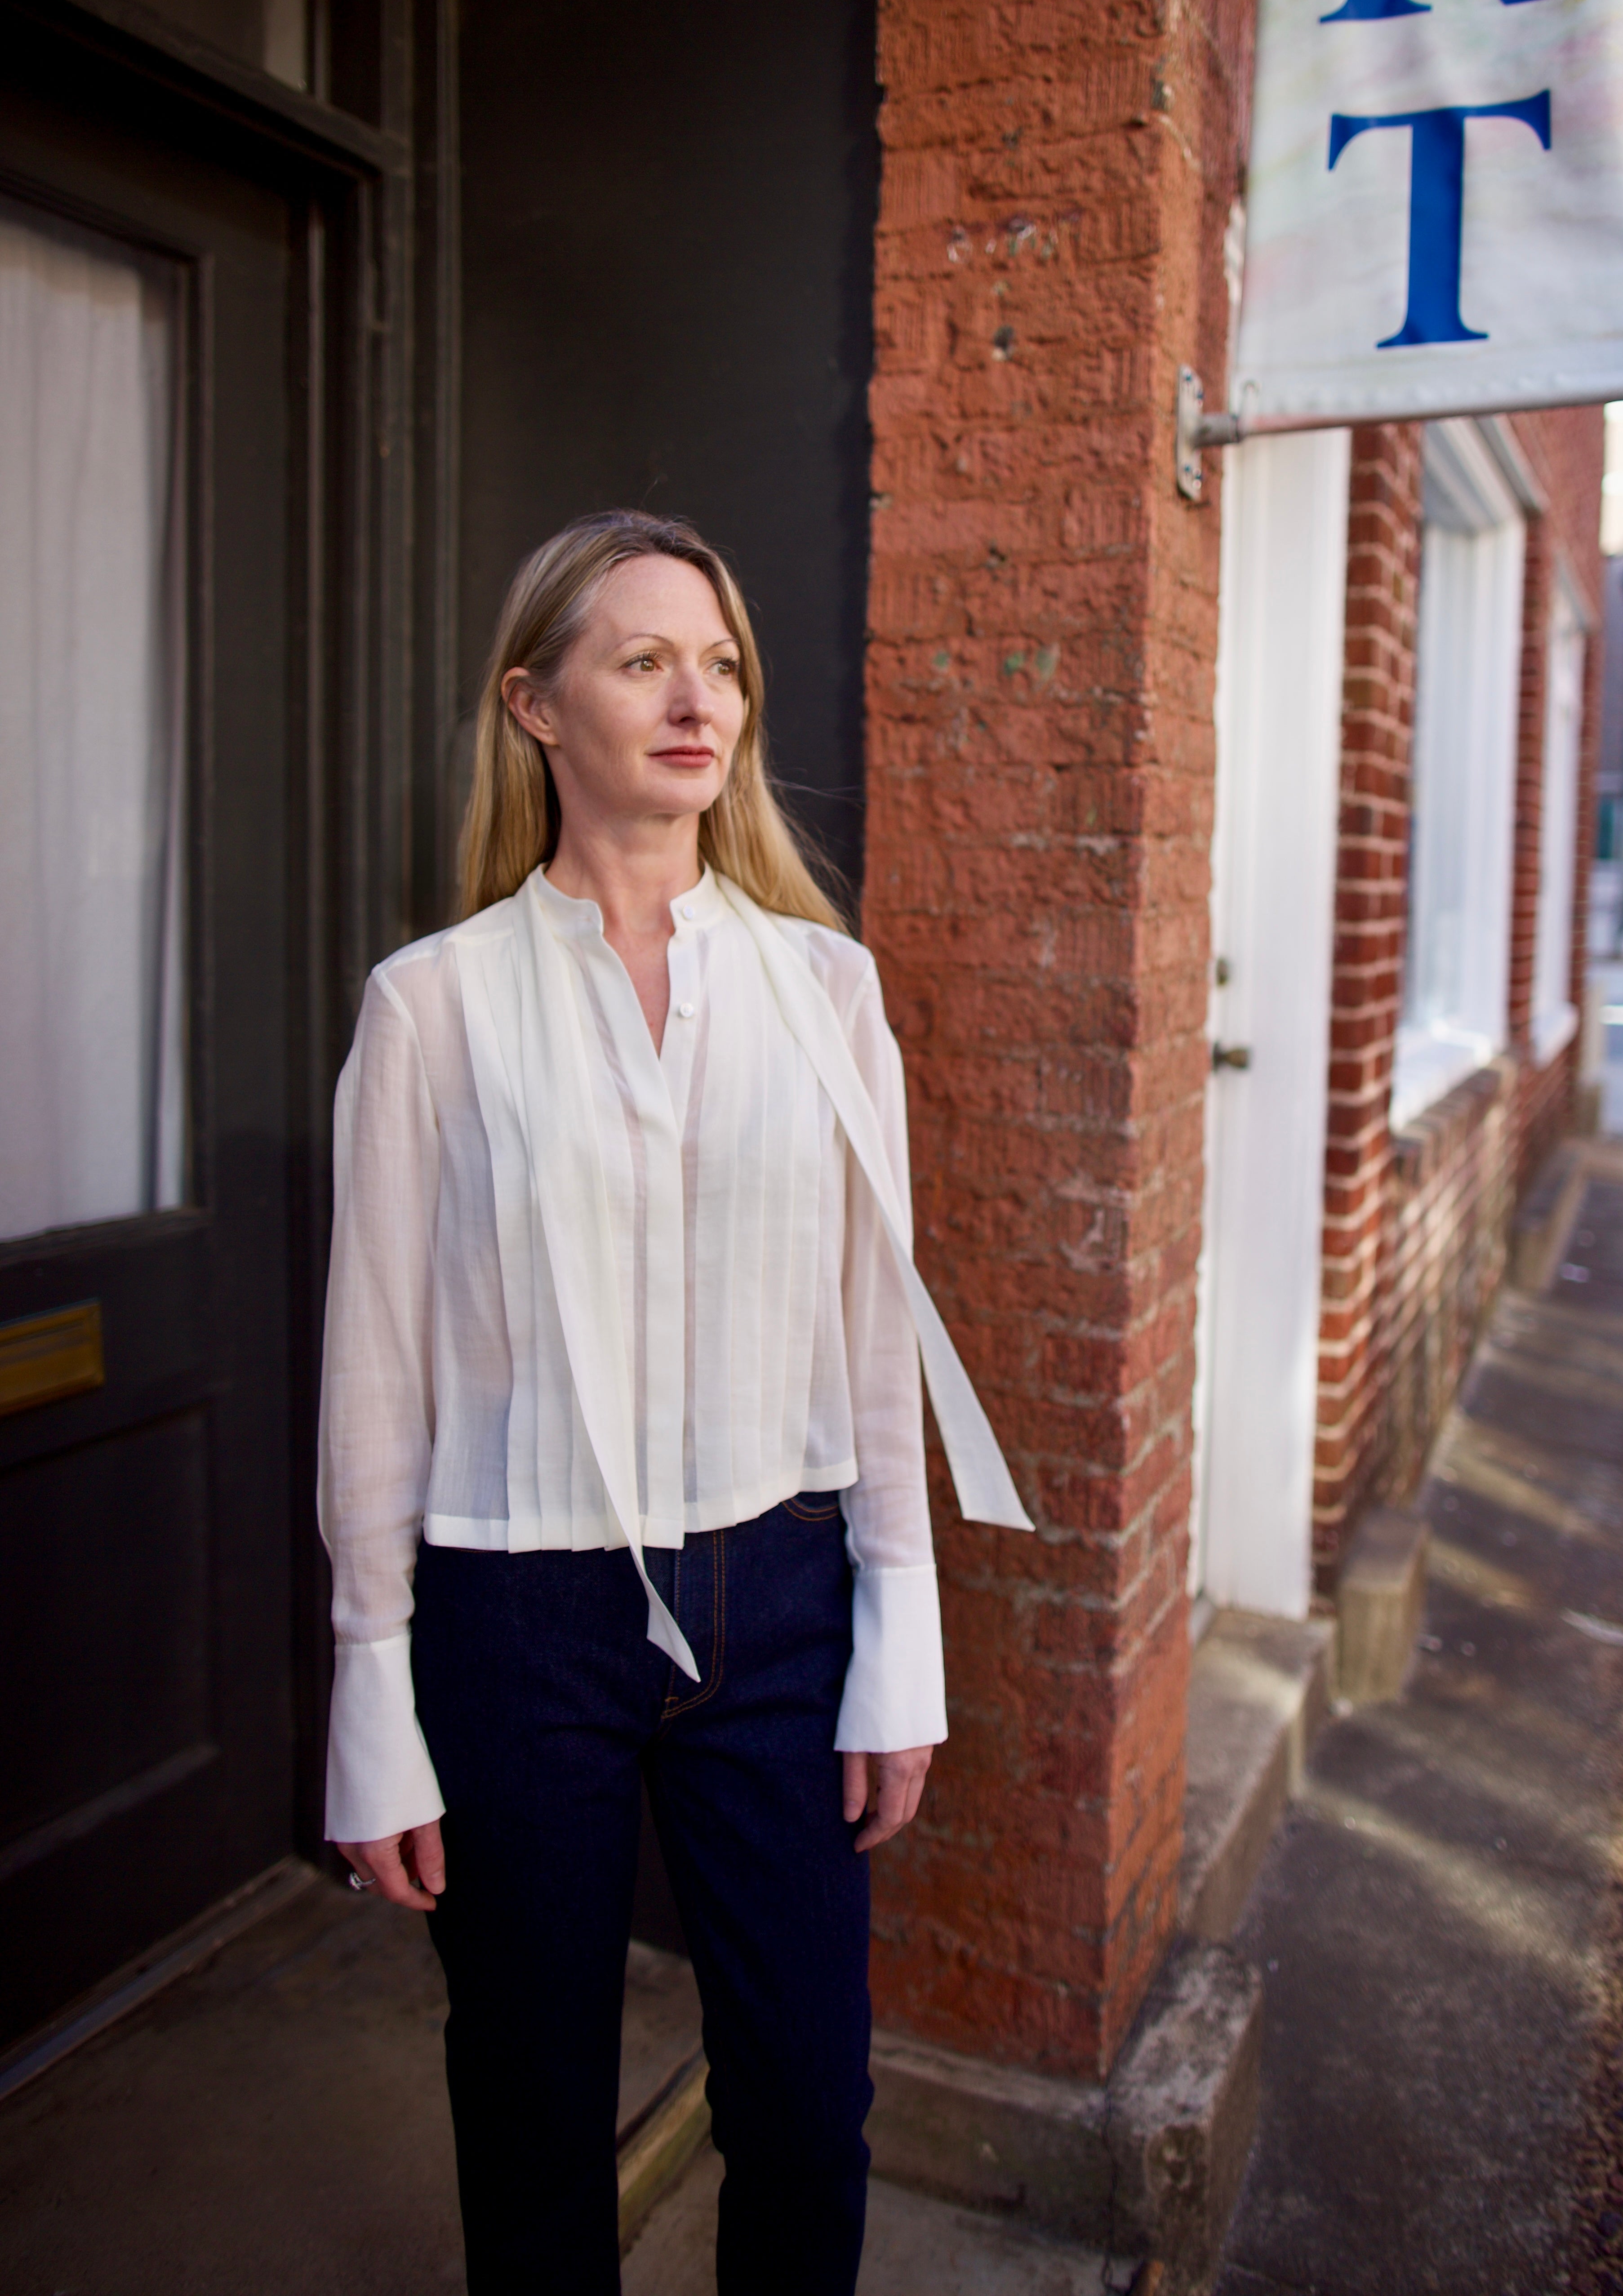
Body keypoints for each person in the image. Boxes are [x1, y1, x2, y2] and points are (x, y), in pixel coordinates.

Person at [317, 509, 1032, 2295]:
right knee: (529, 2109)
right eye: (642, 659)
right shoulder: (435, 1009)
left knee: (806, 2100)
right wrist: (367, 1683)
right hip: (513, 1609)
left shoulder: (825, 991)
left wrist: (900, 1632)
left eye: (716, 663)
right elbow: (376, 1365)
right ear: (536, 704)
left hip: (781, 1598)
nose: (694, 696)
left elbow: (873, 1328)